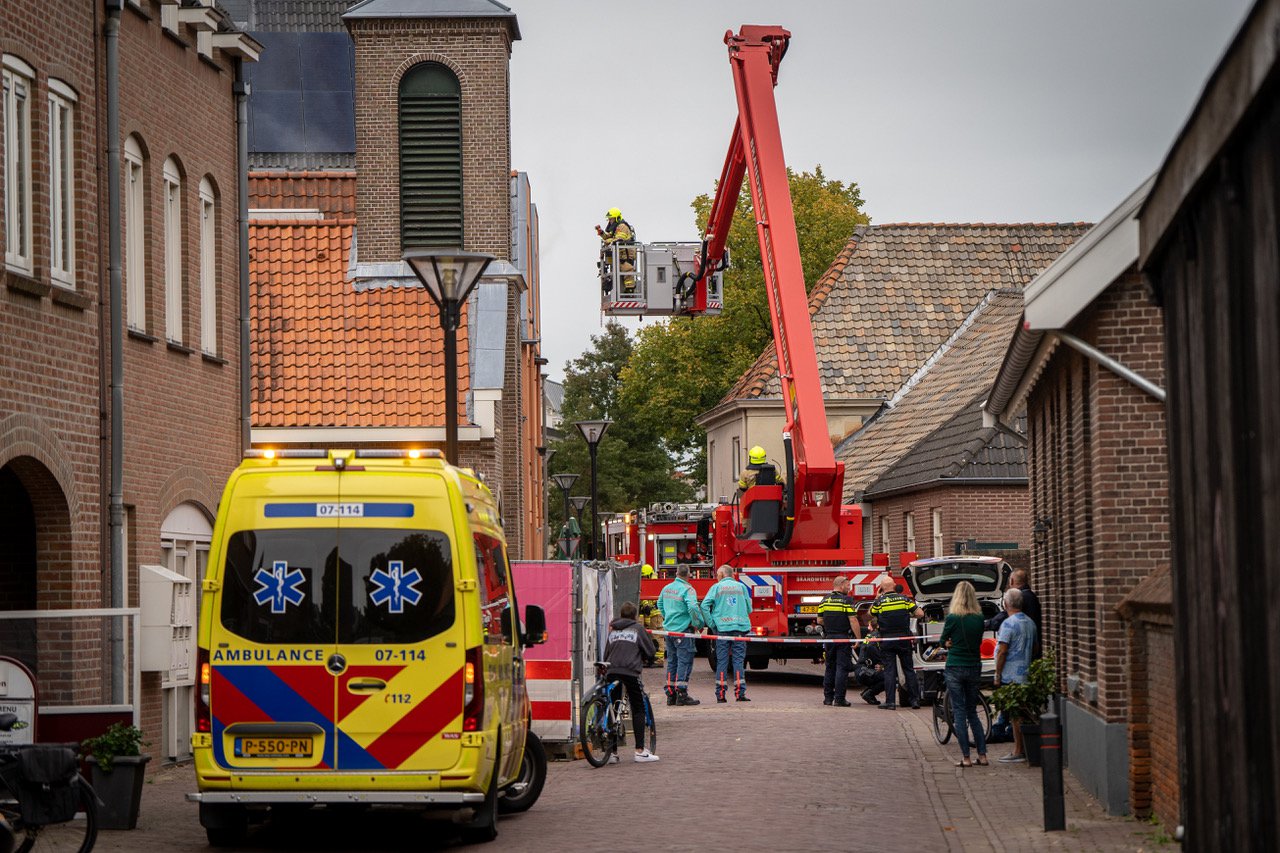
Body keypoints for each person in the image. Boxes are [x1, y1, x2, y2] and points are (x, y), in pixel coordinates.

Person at [602, 601, 660, 762]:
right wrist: (650, 658)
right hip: (629, 671)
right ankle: (640, 750)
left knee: (613, 709)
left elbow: (606, 653)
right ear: (635, 616)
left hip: (612, 671)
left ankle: (611, 753)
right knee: (638, 707)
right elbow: (650, 650)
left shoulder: (613, 630)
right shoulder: (638, 629)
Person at [939, 581, 989, 768]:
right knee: (972, 712)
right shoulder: (979, 618)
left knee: (959, 712)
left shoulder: (953, 618)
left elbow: (943, 641)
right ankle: (982, 755)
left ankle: (966, 758)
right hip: (974, 665)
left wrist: (948, 644)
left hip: (955, 666)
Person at [993, 587, 1038, 763]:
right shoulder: (1030, 622)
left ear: (1006, 603)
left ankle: (1018, 750)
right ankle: (1025, 748)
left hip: (1010, 676)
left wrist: (997, 673)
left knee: (1015, 716)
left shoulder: (1008, 624)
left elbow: (1002, 651)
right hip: (1025, 673)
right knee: (1024, 712)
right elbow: (1035, 648)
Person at [869, 574, 924, 710]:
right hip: (904, 639)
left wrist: (877, 597)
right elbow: (920, 614)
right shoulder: (904, 599)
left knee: (889, 671)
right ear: (894, 586)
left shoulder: (880, 602)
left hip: (887, 640)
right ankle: (915, 700)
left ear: (881, 588)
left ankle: (890, 702)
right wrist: (908, 614)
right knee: (909, 670)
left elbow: (870, 614)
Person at [701, 564, 753, 703]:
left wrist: (712, 624)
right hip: (740, 629)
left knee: (722, 661)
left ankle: (721, 694)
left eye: (718, 575)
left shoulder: (716, 588)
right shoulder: (741, 587)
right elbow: (749, 608)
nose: (717, 577)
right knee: (738, 661)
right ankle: (740, 693)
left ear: (723, 574)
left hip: (722, 629)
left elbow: (704, 606)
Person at [657, 565, 705, 706]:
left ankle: (670, 694)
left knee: (672, 662)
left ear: (676, 573)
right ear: (689, 574)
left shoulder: (667, 588)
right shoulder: (688, 589)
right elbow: (692, 607)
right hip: (683, 630)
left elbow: (660, 603)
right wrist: (698, 623)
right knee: (684, 661)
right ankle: (681, 693)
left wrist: (668, 618)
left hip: (669, 630)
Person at [817, 576, 861, 706]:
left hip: (829, 638)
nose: (849, 588)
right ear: (841, 585)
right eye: (848, 586)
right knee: (842, 668)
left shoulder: (825, 600)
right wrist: (858, 638)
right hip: (842, 638)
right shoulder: (846, 601)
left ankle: (828, 698)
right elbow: (853, 620)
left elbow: (819, 620)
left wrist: (831, 623)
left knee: (830, 667)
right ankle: (840, 699)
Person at [985, 569, 1043, 658]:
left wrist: (985, 624)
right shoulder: (1031, 596)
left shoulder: (1019, 597)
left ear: (1011, 581)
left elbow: (1001, 618)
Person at [854, 617, 887, 705]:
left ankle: (868, 693)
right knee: (889, 676)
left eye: (869, 625)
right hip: (865, 671)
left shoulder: (870, 635)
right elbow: (871, 647)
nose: (868, 628)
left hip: (861, 670)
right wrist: (881, 663)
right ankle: (869, 694)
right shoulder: (877, 635)